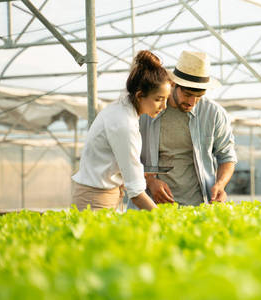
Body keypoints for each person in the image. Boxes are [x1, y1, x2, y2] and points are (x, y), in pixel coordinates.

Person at [129, 50, 237, 207]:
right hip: (149, 205)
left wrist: (220, 184)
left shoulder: (214, 113)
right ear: (173, 85)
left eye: (198, 96)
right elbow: (129, 157)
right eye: (187, 94)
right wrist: (150, 181)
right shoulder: (147, 109)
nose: (192, 101)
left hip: (196, 205)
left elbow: (227, 157)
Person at [71, 50, 171, 211]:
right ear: (139, 96)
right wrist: (165, 221)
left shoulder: (123, 109)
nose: (164, 106)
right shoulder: (124, 123)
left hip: (105, 193)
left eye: (166, 99)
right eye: (159, 99)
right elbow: (136, 193)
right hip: (95, 198)